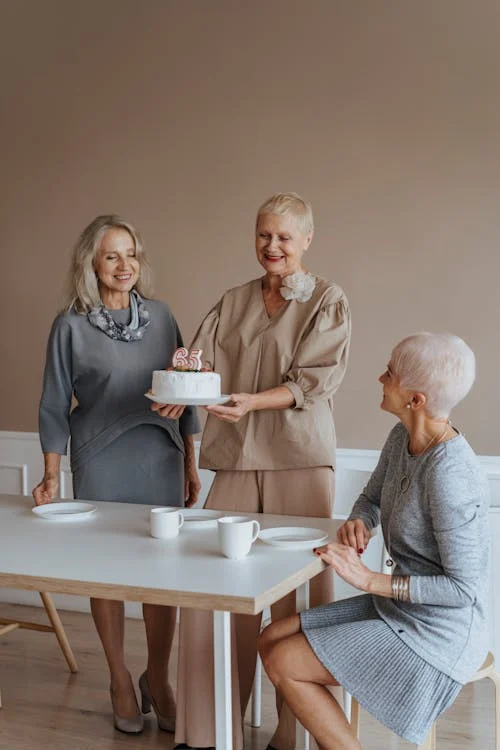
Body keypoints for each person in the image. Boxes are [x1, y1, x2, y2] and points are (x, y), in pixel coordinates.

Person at [152, 192, 351, 749]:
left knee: (299, 598)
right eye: (264, 235)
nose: (273, 246)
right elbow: (198, 365)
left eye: (285, 237)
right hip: (237, 457)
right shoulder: (233, 299)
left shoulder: (328, 301)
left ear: (307, 239)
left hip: (300, 461)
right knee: (217, 587)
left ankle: (294, 735)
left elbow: (315, 381)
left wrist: (250, 402)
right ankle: (207, 732)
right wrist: (179, 393)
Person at [258, 332, 489, 750]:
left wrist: (369, 581)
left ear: (416, 399)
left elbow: (463, 590)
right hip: (399, 609)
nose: (381, 378)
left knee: (284, 661)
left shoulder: (451, 474)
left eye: (391, 373)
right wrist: (359, 522)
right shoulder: (403, 438)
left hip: (436, 635)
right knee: (271, 637)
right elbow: (371, 499)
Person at [32, 215, 201, 735]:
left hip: (161, 455)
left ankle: (159, 676)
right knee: (105, 573)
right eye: (112, 256)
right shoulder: (70, 326)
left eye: (131, 254)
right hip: (100, 459)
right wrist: (51, 475)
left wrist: (193, 461)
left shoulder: (163, 315)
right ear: (92, 263)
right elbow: (55, 405)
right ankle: (119, 678)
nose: (124, 266)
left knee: (162, 576)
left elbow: (184, 386)